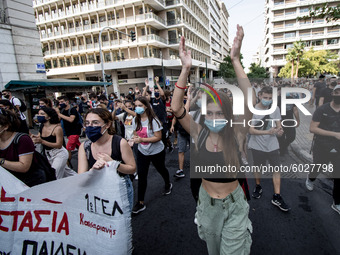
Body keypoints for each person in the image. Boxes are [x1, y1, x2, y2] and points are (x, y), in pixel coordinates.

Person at [171, 25, 253, 254]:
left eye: (220, 114)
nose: (215, 118)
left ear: (228, 116)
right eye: (210, 114)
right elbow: (176, 107)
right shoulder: (199, 132)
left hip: (234, 205)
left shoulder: (237, 133)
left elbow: (250, 102)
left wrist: (235, 60)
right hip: (206, 204)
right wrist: (185, 69)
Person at [78, 108, 136, 211]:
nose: (90, 126)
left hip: (120, 190)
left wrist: (114, 164)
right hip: (96, 191)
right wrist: (92, 171)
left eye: (95, 123)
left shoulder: (120, 143)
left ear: (108, 124)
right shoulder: (85, 147)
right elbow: (81, 178)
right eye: (87, 123)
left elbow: (132, 169)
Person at [248, 87, 290, 212]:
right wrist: (268, 131)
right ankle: (258, 186)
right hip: (257, 145)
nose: (267, 100)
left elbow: (278, 124)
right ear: (260, 96)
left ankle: (277, 196)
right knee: (258, 167)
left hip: (272, 144)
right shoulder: (253, 111)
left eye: (270, 98)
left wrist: (280, 130)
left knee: (276, 168)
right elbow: (250, 130)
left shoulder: (275, 109)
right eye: (265, 97)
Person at [131, 96, 172, 214]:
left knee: (161, 169)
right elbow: (135, 133)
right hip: (142, 151)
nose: (137, 108)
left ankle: (168, 184)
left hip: (156, 151)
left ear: (146, 106)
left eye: (140, 105)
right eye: (136, 105)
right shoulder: (135, 120)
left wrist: (142, 139)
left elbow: (158, 137)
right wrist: (134, 139)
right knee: (142, 175)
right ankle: (140, 202)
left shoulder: (153, 120)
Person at [306, 85, 340, 214]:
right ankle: (311, 179)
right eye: (337, 92)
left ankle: (337, 202)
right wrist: (335, 134)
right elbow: (312, 128)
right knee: (318, 167)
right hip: (322, 146)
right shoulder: (322, 109)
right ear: (332, 93)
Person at [0, 109, 43, 187]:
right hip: (9, 183)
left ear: (5, 126)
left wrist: (1, 161)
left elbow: (24, 167)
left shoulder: (23, 139)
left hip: (28, 183)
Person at [31, 107, 76, 179]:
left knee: (54, 176)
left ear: (49, 117)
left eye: (42, 114)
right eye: (38, 114)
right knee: (68, 173)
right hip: (49, 154)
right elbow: (40, 137)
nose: (39, 116)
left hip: (59, 154)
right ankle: (82, 180)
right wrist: (35, 138)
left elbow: (59, 145)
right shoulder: (42, 126)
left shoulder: (57, 128)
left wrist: (42, 141)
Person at [55, 96, 82, 163]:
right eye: (59, 102)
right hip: (68, 132)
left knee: (68, 149)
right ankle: (86, 154)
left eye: (62, 102)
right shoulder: (63, 110)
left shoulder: (72, 110)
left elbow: (71, 119)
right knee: (79, 146)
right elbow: (58, 120)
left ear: (67, 102)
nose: (60, 103)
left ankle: (68, 164)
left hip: (75, 132)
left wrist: (59, 114)